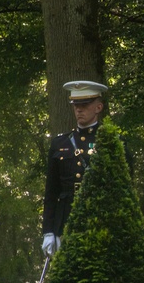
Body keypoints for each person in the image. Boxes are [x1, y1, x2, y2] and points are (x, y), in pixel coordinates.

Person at [42, 81, 109, 257]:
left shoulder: (111, 142)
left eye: (84, 104)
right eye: (75, 105)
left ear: (98, 107)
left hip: (100, 222)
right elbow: (51, 192)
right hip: (65, 223)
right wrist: (48, 231)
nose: (79, 109)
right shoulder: (60, 143)